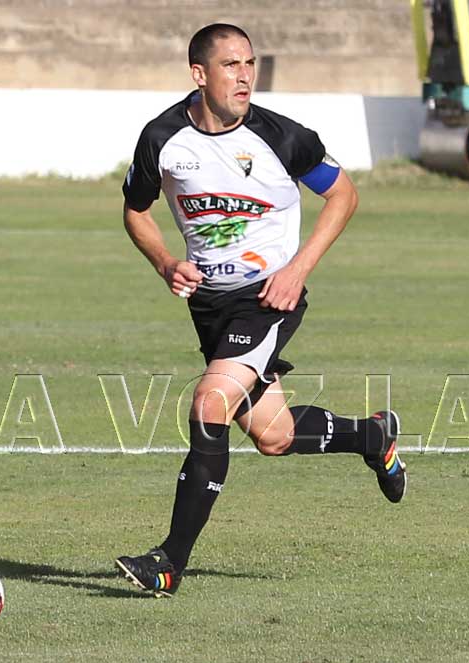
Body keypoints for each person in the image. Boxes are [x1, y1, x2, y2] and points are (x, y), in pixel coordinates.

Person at [115, 23, 407, 598]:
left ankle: (169, 563)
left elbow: (343, 194)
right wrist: (166, 262)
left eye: (250, 63)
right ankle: (374, 436)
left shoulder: (281, 136)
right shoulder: (162, 138)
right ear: (199, 74)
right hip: (209, 307)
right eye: (231, 65)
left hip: (268, 297)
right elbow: (135, 210)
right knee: (274, 435)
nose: (245, 75)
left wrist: (297, 270)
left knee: (210, 404)